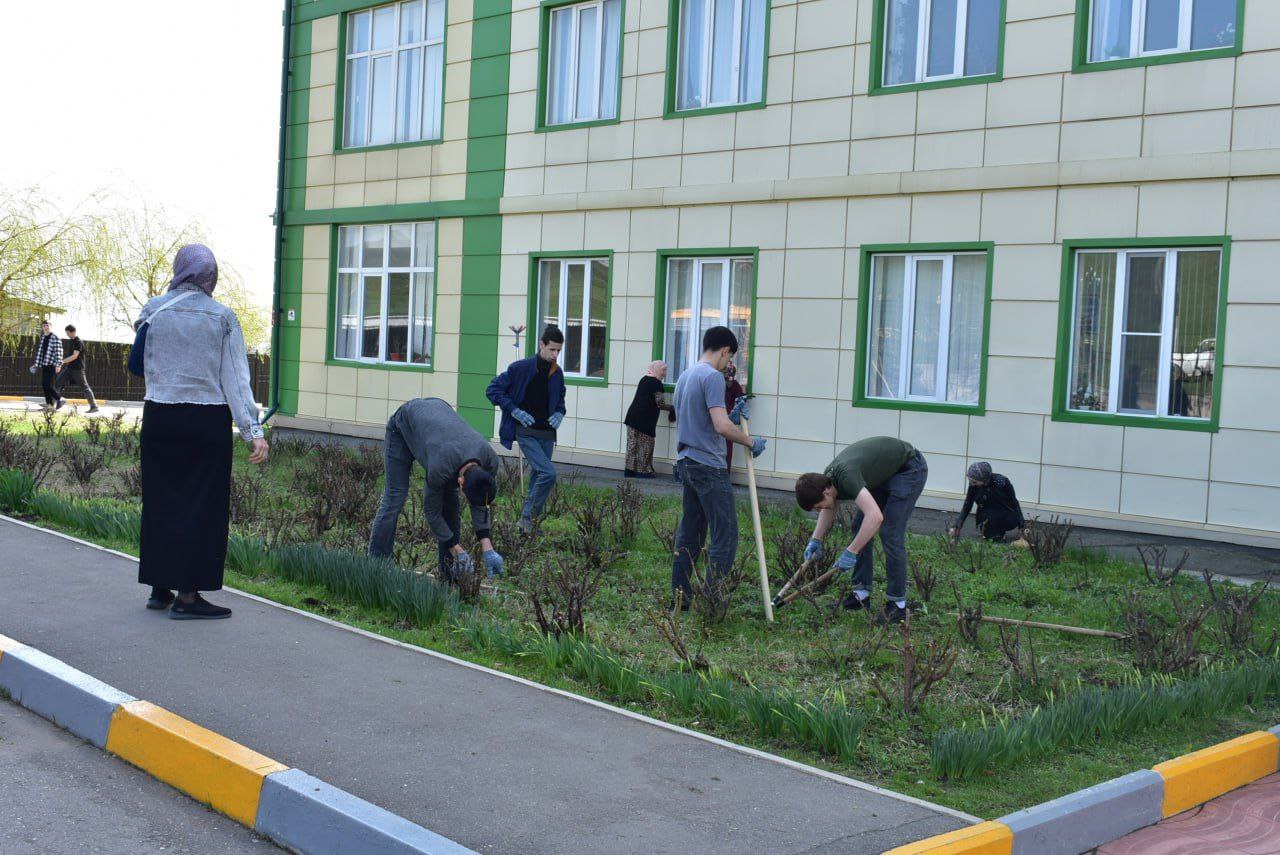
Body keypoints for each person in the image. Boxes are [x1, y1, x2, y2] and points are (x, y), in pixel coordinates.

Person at [135, 244, 268, 620]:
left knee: (161, 502)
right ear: (210, 276)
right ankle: (188, 596)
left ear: (180, 270)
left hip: (159, 416)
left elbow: (140, 365)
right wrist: (252, 430)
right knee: (200, 506)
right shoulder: (222, 317)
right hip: (205, 420)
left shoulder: (152, 310)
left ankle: (160, 588)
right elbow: (235, 380)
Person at [670, 326, 766, 608]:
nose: (729, 364)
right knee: (726, 535)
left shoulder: (685, 376)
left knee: (690, 535)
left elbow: (702, 419)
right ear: (725, 350)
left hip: (686, 462)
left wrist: (732, 416)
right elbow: (720, 427)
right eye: (730, 357)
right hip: (709, 467)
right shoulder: (712, 377)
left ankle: (680, 600)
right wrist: (750, 442)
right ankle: (713, 603)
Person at [794, 437, 928, 624]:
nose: (819, 511)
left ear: (826, 492)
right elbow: (828, 508)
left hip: (908, 468)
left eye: (817, 506)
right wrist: (815, 540)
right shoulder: (827, 482)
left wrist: (852, 551)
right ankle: (861, 594)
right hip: (884, 473)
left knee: (890, 532)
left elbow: (875, 517)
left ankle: (898, 605)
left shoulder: (846, 477)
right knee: (859, 527)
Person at [368, 397, 503, 579]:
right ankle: (376, 567)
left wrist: (488, 548)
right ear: (461, 482)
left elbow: (481, 501)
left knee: (451, 506)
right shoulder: (441, 467)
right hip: (404, 425)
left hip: (437, 421)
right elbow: (432, 511)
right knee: (395, 497)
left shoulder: (490, 461)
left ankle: (449, 575)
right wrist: (457, 548)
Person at [487, 325, 567, 534]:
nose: (555, 354)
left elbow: (560, 400)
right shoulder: (520, 368)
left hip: (548, 434)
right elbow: (493, 390)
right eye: (552, 349)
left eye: (558, 350)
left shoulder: (557, 373)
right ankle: (526, 518)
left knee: (537, 478)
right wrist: (514, 410)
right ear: (542, 344)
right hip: (526, 431)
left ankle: (528, 525)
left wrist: (560, 412)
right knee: (548, 474)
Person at [948, 462, 1026, 544]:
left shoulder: (1002, 482)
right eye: (970, 481)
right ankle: (997, 535)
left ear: (984, 479)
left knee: (1001, 518)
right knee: (990, 533)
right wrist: (957, 526)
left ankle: (1000, 532)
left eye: (974, 482)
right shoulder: (973, 486)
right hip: (987, 514)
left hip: (1005, 513)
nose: (971, 484)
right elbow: (967, 505)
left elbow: (1014, 502)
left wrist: (1022, 525)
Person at [623, 360, 674, 478]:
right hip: (645, 419)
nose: (664, 373)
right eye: (663, 370)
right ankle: (643, 472)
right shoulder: (656, 383)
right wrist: (673, 408)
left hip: (632, 416)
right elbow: (660, 404)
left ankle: (629, 471)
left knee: (632, 445)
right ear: (656, 369)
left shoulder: (644, 379)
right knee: (646, 446)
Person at [54, 324, 99, 413]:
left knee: (85, 387)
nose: (67, 335)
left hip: (77, 369)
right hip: (69, 368)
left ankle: (94, 406)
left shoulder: (78, 342)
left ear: (73, 332)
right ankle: (56, 402)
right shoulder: (72, 341)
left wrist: (62, 361)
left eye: (68, 333)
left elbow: (75, 356)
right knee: (57, 383)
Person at [31, 320, 63, 411]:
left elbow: (59, 352)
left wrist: (58, 364)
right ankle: (49, 405)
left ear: (51, 326)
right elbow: (41, 352)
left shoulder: (55, 337)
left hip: (52, 364)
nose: (45, 327)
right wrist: (36, 363)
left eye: (47, 325)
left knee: (48, 385)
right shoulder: (44, 337)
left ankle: (60, 399)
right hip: (45, 364)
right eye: (44, 326)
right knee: (45, 385)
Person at [722, 360, 745, 469]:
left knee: (726, 448)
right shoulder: (720, 383)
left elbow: (740, 398)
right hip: (725, 420)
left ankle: (724, 474)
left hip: (723, 419)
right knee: (726, 448)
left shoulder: (732, 384)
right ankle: (724, 475)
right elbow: (741, 398)